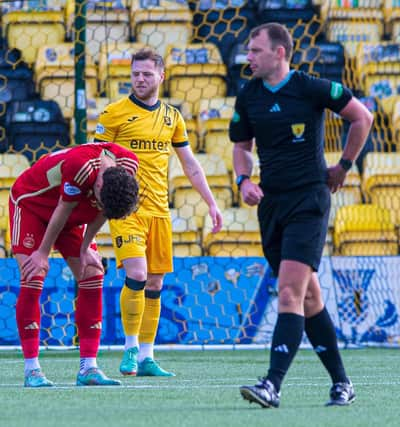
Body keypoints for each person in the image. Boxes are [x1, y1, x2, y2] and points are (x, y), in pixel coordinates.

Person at [230, 23, 373, 408]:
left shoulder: (311, 87)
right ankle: (342, 383)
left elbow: (362, 117)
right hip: (272, 204)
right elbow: (241, 146)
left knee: (290, 292)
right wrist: (244, 180)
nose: (249, 57)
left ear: (279, 53)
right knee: (309, 298)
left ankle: (272, 384)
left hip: (309, 200)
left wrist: (344, 165)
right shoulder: (248, 95)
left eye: (256, 50)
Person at [93, 48, 224, 377]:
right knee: (136, 274)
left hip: (159, 210)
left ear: (161, 77)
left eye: (146, 74)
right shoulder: (114, 114)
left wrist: (211, 202)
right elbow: (97, 157)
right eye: (135, 73)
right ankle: (130, 348)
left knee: (155, 281)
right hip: (126, 209)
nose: (139, 79)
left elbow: (190, 165)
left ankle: (147, 357)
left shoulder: (173, 117)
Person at [10, 142, 140, 387]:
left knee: (92, 272)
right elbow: (63, 206)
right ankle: (32, 370)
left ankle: (89, 368)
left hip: (71, 214)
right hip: (32, 206)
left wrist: (85, 248)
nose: (101, 205)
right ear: (98, 184)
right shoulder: (82, 166)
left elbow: (104, 210)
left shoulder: (126, 167)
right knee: (34, 272)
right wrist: (42, 252)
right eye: (100, 200)